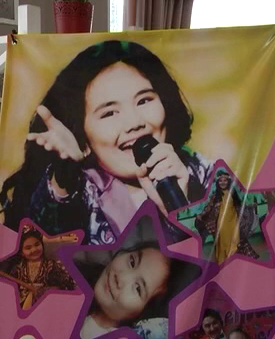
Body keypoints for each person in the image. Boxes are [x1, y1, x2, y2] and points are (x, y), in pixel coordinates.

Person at [0, 40, 214, 245]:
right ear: (83, 139)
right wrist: (64, 175)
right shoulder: (78, 193)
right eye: (109, 113)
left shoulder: (207, 174)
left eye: (144, 100)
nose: (134, 123)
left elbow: (223, 258)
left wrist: (181, 211)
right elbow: (42, 244)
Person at [74, 241, 202, 338]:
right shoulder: (72, 276)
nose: (121, 278)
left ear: (142, 316)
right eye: (132, 262)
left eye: (138, 288)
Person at [195, 170, 269, 263]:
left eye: (225, 180)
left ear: (228, 181)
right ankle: (225, 265)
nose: (223, 182)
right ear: (218, 182)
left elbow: (240, 205)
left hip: (234, 223)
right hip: (222, 226)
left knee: (237, 243)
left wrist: (250, 206)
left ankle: (236, 263)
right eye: (220, 181)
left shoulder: (233, 193)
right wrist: (201, 215)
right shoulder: (216, 196)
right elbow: (208, 208)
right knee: (223, 245)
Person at [0, 228, 76, 309]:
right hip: (20, 305)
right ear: (22, 253)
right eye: (28, 248)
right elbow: (8, 288)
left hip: (45, 306)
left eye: (37, 245)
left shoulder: (50, 266)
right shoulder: (18, 268)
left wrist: (44, 291)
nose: (34, 250)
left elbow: (66, 286)